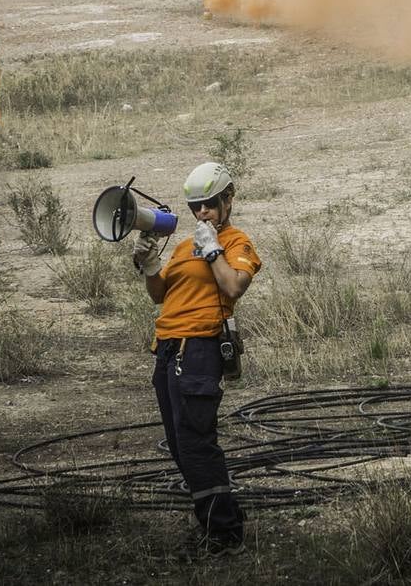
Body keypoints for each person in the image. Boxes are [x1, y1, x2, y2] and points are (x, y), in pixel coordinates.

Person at [132, 162, 261, 558]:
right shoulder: (186, 246)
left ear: (228, 200)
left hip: (200, 349)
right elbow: (160, 295)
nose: (201, 214)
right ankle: (220, 521)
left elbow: (232, 286)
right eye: (195, 208)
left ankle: (223, 535)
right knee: (178, 443)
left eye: (208, 205)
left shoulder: (238, 243)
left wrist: (214, 249)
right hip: (168, 348)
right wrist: (151, 265)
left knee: (196, 443)